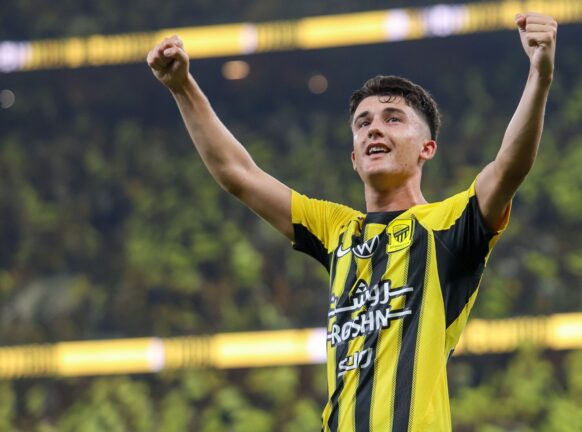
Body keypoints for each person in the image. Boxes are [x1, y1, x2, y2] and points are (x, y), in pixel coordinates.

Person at [147, 11, 557, 432]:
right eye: (363, 123)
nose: (374, 129)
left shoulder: (448, 227)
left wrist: (539, 75)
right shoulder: (336, 229)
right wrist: (182, 87)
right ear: (354, 157)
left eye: (393, 118)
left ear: (427, 148)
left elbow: (509, 166)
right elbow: (239, 175)